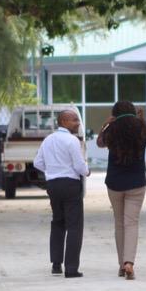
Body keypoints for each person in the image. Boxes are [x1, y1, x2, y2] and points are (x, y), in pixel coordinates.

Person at [96, 101, 146, 280]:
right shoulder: (140, 127)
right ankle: (129, 263)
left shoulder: (112, 128)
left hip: (115, 183)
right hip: (137, 183)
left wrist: (105, 124)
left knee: (119, 223)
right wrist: (142, 121)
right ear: (133, 112)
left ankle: (121, 265)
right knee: (131, 223)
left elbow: (100, 143)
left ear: (114, 113)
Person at [33, 109, 90, 278]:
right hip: (70, 184)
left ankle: (56, 265)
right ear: (64, 121)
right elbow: (79, 165)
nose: (78, 123)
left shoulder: (48, 140)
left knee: (58, 222)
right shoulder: (72, 140)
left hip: (53, 185)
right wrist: (87, 172)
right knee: (74, 226)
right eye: (74, 120)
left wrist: (52, 170)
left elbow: (37, 163)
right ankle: (71, 269)